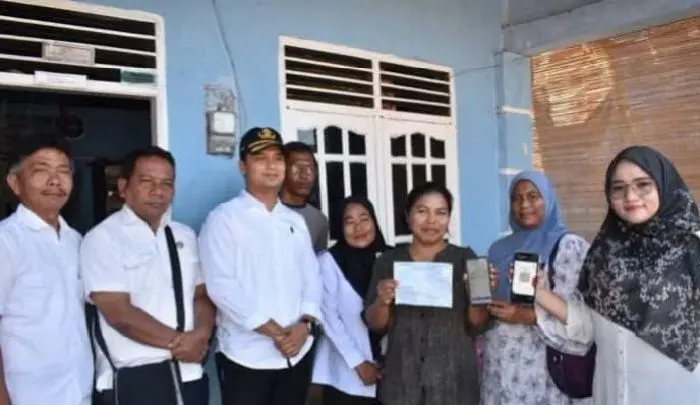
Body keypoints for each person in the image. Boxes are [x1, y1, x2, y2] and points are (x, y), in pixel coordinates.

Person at [536, 146, 700, 405]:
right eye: (618, 188)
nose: (630, 196)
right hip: (613, 393)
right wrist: (539, 293)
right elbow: (588, 327)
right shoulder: (604, 253)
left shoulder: (693, 249)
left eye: (643, 184)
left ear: (664, 185)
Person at [81, 147, 215, 405]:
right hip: (136, 379)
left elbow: (201, 295)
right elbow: (119, 313)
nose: (158, 191)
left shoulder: (184, 235)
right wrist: (181, 343)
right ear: (123, 187)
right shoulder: (103, 238)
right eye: (147, 182)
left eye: (166, 183)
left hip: (189, 374)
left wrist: (201, 335)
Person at [199, 127, 322, 405]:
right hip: (246, 356)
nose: (271, 166)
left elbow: (312, 277)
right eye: (260, 158)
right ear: (242, 166)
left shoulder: (295, 221)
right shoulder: (224, 219)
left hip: (296, 353)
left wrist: (305, 325)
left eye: (277, 158)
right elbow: (221, 286)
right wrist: (275, 332)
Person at [363, 182, 487, 405]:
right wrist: (382, 301)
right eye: (422, 211)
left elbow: (478, 324)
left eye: (440, 213)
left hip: (454, 384)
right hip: (402, 384)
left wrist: (475, 294)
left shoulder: (468, 259)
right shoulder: (388, 261)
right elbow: (375, 324)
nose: (431, 221)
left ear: (449, 218)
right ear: (408, 216)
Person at [483, 170, 591, 405]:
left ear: (548, 199)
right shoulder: (498, 249)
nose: (524, 205)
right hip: (499, 368)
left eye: (533, 196)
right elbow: (486, 310)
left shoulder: (569, 246)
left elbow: (579, 319)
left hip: (544, 370)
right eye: (517, 198)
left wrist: (522, 315)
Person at [0, 134, 93, 405]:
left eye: (63, 171)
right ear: (15, 183)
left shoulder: (77, 241)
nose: (55, 181)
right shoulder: (6, 241)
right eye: (41, 170)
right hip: (26, 394)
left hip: (78, 390)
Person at [312, 196, 389, 405]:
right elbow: (328, 317)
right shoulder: (328, 261)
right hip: (347, 375)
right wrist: (359, 364)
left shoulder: (389, 258)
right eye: (349, 222)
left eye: (364, 219)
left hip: (392, 373)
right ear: (340, 227)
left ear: (374, 222)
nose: (359, 228)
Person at [281, 141, 329, 253]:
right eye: (297, 168)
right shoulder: (265, 213)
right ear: (282, 170)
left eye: (310, 169)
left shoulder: (319, 220)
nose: (304, 175)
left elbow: (318, 260)